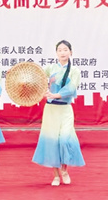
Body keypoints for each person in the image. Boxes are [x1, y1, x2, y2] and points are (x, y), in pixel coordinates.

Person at [32, 40, 85, 186]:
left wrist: (55, 95)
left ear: (71, 52)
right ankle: (56, 175)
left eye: (65, 49)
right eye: (60, 50)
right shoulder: (50, 68)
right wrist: (17, 76)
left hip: (65, 109)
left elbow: (71, 88)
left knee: (64, 139)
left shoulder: (74, 71)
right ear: (56, 53)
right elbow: (36, 77)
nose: (62, 52)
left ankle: (64, 170)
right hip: (51, 110)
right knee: (52, 142)